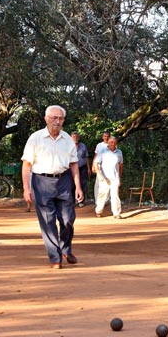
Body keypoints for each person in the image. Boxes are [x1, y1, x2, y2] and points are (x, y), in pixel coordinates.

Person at [21, 105, 84, 269]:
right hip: (41, 182)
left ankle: (66, 248)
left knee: (68, 218)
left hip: (64, 181)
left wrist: (78, 186)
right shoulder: (35, 138)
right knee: (48, 220)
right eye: (54, 118)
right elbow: (26, 164)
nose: (57, 121)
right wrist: (26, 188)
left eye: (60, 118)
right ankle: (55, 258)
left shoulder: (68, 139)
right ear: (46, 119)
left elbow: (74, 164)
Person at [95, 136, 124, 219]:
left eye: (114, 142)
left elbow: (121, 165)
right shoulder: (102, 151)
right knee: (102, 194)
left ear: (116, 143)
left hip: (115, 178)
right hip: (104, 177)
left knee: (115, 195)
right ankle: (98, 211)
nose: (113, 144)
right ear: (108, 143)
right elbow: (96, 163)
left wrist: (119, 177)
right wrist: (99, 175)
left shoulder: (119, 152)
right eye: (111, 142)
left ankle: (116, 213)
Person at [71, 132, 90, 207]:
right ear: (71, 138)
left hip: (82, 167)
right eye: (73, 137)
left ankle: (81, 201)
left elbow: (86, 157)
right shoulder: (68, 146)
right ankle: (72, 201)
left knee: (83, 183)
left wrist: (88, 168)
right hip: (72, 168)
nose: (75, 138)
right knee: (72, 184)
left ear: (78, 138)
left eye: (76, 137)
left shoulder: (83, 146)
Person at [92, 131, 110, 202]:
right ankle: (97, 200)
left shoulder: (112, 144)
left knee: (108, 183)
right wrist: (93, 165)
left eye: (107, 136)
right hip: (99, 167)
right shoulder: (99, 145)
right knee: (98, 184)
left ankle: (106, 200)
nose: (106, 138)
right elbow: (96, 155)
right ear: (103, 137)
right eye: (105, 136)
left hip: (108, 167)